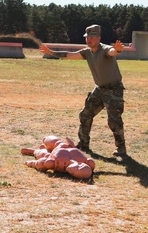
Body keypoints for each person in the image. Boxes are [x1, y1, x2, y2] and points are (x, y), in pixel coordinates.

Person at [40, 24, 127, 157]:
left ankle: (121, 149)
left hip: (113, 89)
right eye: (87, 37)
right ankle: (83, 143)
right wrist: (51, 52)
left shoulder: (104, 49)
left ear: (98, 38)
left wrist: (118, 51)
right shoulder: (87, 52)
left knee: (114, 121)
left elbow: (112, 52)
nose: (89, 40)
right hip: (99, 89)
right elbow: (69, 55)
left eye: (92, 37)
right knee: (85, 115)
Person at [21, 135, 95, 179]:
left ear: (72, 173)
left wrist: (29, 163)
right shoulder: (87, 162)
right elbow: (90, 163)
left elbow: (41, 163)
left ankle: (34, 151)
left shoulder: (56, 164)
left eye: (78, 167)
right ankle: (45, 141)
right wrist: (72, 146)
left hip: (52, 153)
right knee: (49, 139)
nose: (79, 164)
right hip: (62, 145)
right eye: (81, 165)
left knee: (44, 154)